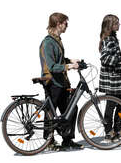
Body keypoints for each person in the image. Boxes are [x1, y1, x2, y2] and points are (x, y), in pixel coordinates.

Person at [39, 12, 84, 150]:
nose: (67, 25)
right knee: (50, 114)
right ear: (58, 24)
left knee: (71, 108)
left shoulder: (56, 40)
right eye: (65, 23)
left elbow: (58, 59)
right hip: (52, 82)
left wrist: (70, 60)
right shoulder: (48, 42)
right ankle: (49, 142)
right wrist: (69, 66)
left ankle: (67, 140)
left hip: (61, 81)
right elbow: (52, 66)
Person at [98, 14, 121, 141]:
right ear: (110, 25)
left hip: (116, 79)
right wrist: (119, 60)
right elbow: (104, 58)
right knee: (111, 105)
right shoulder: (108, 39)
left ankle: (117, 129)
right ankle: (108, 132)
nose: (119, 25)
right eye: (117, 23)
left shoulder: (112, 38)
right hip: (112, 80)